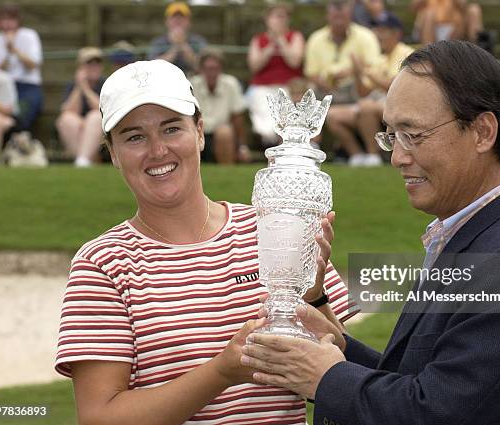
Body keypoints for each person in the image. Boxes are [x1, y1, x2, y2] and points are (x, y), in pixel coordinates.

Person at [241, 41, 500, 425]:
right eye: (391, 137)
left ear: (483, 132)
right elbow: (416, 381)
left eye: (413, 135)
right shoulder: (474, 236)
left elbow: (435, 412)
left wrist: (325, 377)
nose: (398, 157)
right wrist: (330, 337)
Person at [55, 59, 358, 425]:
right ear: (113, 153)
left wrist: (314, 298)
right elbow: (98, 417)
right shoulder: (102, 263)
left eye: (171, 129)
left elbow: (346, 373)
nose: (157, 150)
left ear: (200, 131)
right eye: (134, 136)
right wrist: (221, 372)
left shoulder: (271, 225)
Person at [325, 13, 414, 167]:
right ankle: (357, 156)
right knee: (333, 115)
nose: (378, 35)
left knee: (366, 106)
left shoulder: (407, 53)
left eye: (383, 31)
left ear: (396, 33)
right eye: (376, 30)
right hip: (378, 102)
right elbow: (363, 92)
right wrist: (358, 73)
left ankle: (374, 156)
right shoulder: (380, 58)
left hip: (400, 105)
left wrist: (365, 71)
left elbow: (395, 87)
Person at [246, 3, 304, 147]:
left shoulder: (295, 36)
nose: (280, 20)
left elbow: (295, 62)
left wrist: (281, 40)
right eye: (277, 16)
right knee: (263, 108)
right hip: (262, 87)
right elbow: (254, 66)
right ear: (267, 19)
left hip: (288, 87)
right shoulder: (258, 40)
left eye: (284, 17)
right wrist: (271, 45)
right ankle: (271, 141)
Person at [304, 0, 381, 104]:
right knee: (307, 91)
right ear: (327, 16)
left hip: (356, 88)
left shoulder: (366, 36)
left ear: (350, 16)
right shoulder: (315, 38)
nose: (339, 22)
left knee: (367, 88)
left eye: (343, 17)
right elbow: (311, 73)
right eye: (336, 17)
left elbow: (374, 67)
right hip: (324, 89)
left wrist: (352, 72)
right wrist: (325, 83)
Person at [190, 49, 250, 164]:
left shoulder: (231, 84)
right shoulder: (192, 84)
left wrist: (242, 146)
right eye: (208, 69)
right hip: (198, 131)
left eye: (215, 68)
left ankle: (227, 171)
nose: (212, 73)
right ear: (201, 69)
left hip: (223, 133)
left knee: (224, 133)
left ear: (221, 69)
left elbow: (238, 117)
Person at [0, 4, 42, 131]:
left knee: (22, 116)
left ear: (18, 21)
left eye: (11, 20)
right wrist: (7, 54)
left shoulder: (30, 36)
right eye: (4, 20)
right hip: (1, 85)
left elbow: (34, 64)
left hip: (27, 86)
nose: (7, 24)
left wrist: (14, 49)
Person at [55, 47, 105, 167]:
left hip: (101, 130)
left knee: (95, 117)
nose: (94, 67)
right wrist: (79, 87)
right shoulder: (72, 86)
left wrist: (86, 89)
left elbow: (102, 109)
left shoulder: (106, 84)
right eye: (89, 64)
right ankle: (84, 161)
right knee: (66, 119)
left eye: (97, 64)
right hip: (81, 129)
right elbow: (68, 111)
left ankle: (83, 160)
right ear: (80, 67)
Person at [148, 1, 207, 76]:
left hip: (192, 80)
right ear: (167, 21)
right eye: (174, 17)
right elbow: (152, 68)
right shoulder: (157, 42)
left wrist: (183, 45)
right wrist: (175, 47)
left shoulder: (199, 41)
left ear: (189, 22)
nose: (178, 20)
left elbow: (201, 67)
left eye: (182, 17)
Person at [412, 0, 484, 45]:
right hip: (429, 29)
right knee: (429, 14)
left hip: (454, 30)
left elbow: (463, 7)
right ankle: (429, 54)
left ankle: (477, 49)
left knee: (474, 9)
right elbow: (414, 7)